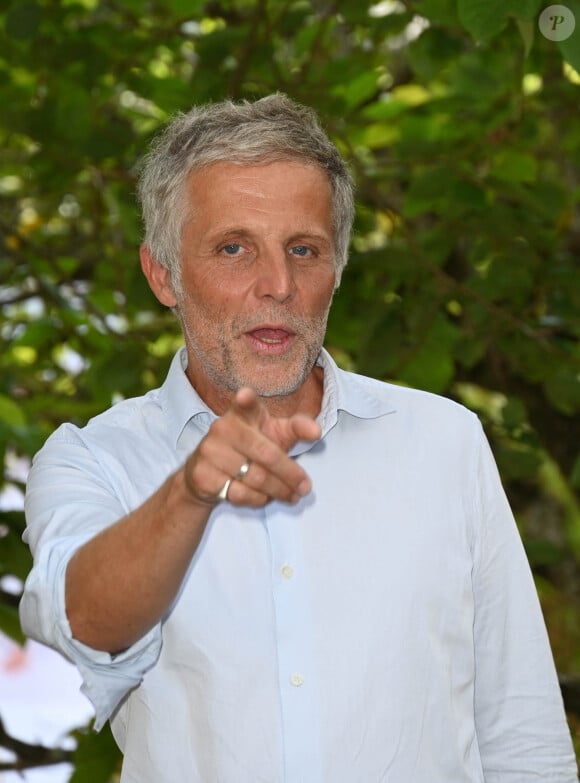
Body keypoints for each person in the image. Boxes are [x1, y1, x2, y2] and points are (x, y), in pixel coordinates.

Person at [19, 93, 578, 782]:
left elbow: (521, 733)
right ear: (163, 274)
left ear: (337, 269)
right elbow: (88, 623)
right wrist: (191, 492)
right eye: (233, 248)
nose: (277, 284)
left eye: (303, 249)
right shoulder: (93, 459)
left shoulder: (446, 442)